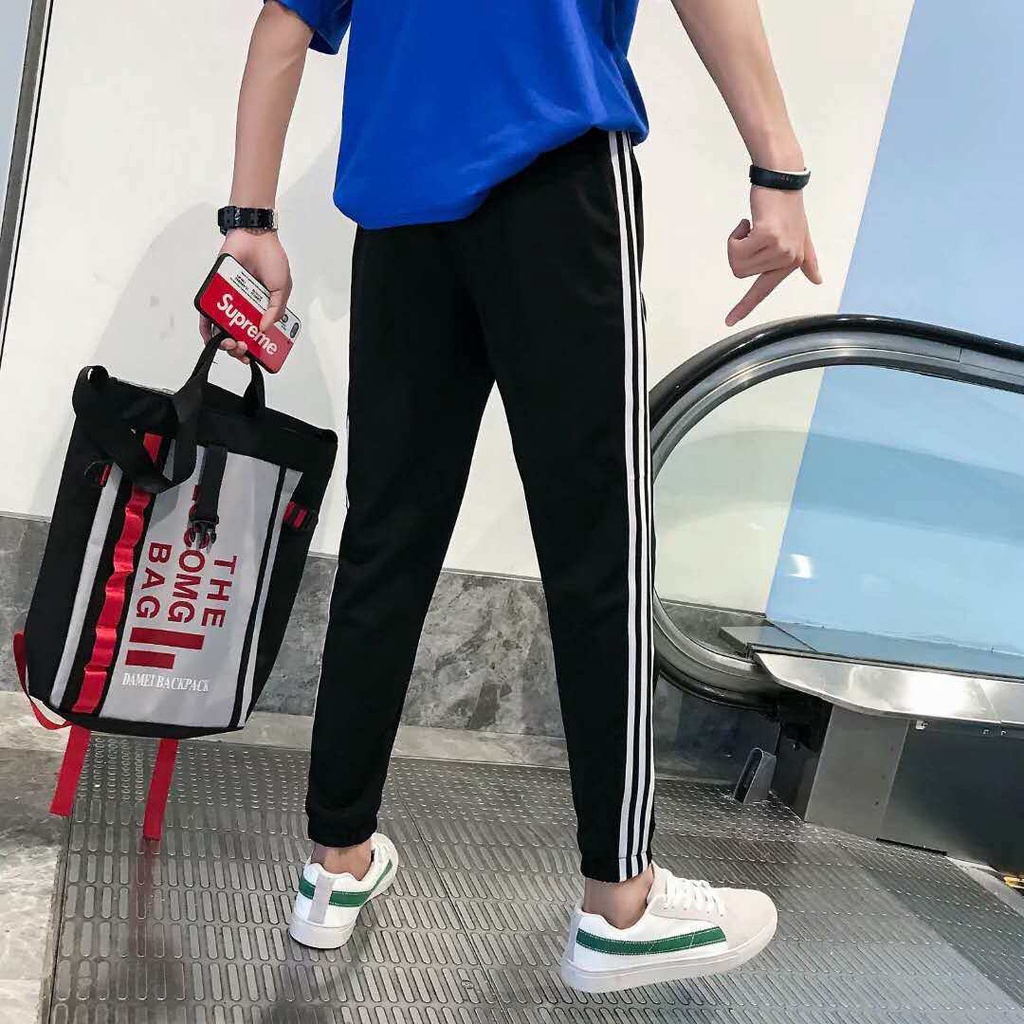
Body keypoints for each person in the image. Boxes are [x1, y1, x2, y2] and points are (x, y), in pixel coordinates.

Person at [202, 0, 820, 994]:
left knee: (387, 539)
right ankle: (621, 904)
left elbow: (282, 28)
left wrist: (250, 223)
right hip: (553, 175)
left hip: (400, 214)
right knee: (598, 539)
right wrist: (778, 170)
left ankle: (334, 863)